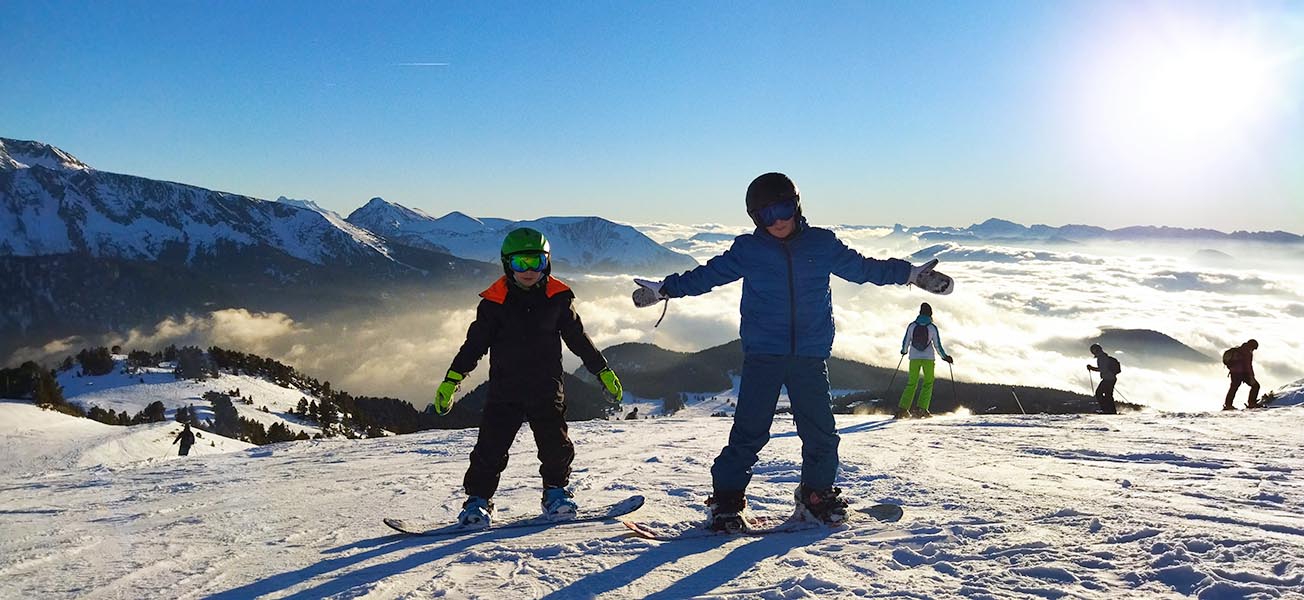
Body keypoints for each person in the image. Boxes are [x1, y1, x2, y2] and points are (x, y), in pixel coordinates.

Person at [632, 172, 952, 532]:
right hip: (763, 355)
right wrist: (665, 289)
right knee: (749, 432)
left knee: (821, 434)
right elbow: (707, 276)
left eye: (784, 208)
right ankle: (726, 502)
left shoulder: (821, 244)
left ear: (797, 206)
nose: (779, 220)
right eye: (767, 214)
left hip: (809, 357)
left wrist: (909, 274)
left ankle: (816, 497)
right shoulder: (748, 250)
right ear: (756, 218)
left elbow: (864, 268)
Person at [433, 228, 624, 528]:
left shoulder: (558, 299)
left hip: (546, 386)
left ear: (547, 262)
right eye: (521, 264)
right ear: (507, 264)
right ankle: (479, 501)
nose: (529, 271)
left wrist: (602, 370)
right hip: (504, 389)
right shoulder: (494, 303)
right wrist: (452, 379)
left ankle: (556, 494)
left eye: (536, 262)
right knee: (490, 448)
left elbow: (578, 339)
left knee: (555, 445)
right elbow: (474, 346)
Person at [896, 302, 953, 419]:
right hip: (928, 358)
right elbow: (937, 345)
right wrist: (945, 357)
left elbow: (906, 340)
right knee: (928, 383)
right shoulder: (932, 328)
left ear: (920, 313)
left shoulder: (912, 325)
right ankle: (921, 409)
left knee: (911, 383)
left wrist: (904, 351)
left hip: (914, 357)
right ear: (930, 314)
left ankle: (902, 409)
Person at [1223, 339, 1260, 410]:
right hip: (1243, 373)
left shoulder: (1239, 349)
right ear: (1252, 346)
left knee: (1233, 388)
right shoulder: (1247, 352)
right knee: (1256, 386)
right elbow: (1248, 366)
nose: (1253, 350)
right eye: (1254, 348)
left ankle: (1228, 405)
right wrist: (1252, 377)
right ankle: (1251, 403)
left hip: (1234, 373)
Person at [1086, 344, 1120, 414]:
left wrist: (1092, 368)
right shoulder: (1103, 357)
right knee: (1108, 395)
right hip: (1111, 378)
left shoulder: (1102, 358)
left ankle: (1107, 410)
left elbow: (1103, 369)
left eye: (1093, 350)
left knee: (1099, 393)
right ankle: (1111, 410)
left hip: (1108, 378)